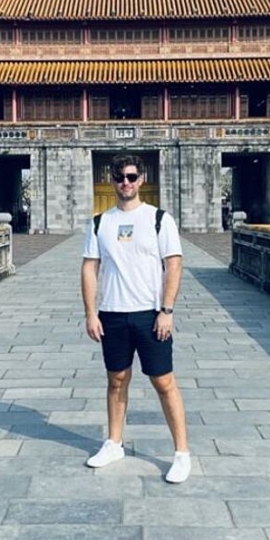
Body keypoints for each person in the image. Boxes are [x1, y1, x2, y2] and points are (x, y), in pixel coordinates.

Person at [81, 153, 191, 483]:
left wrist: (166, 310)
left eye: (130, 176)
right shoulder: (100, 222)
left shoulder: (159, 219)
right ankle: (114, 442)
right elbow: (90, 267)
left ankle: (182, 453)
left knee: (163, 381)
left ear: (141, 178)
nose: (124, 182)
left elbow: (174, 264)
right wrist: (90, 313)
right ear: (111, 180)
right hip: (112, 313)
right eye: (118, 177)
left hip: (150, 314)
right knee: (116, 379)